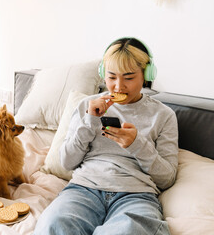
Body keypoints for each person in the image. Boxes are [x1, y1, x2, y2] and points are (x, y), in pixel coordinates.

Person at [33, 37, 178, 235]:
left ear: (146, 74)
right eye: (111, 77)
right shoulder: (87, 106)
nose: (118, 87)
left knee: (127, 231)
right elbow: (66, 161)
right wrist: (89, 121)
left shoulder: (164, 115)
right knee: (54, 224)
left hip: (135, 195)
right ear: (103, 74)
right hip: (84, 189)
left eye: (128, 78)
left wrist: (137, 144)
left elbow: (167, 178)